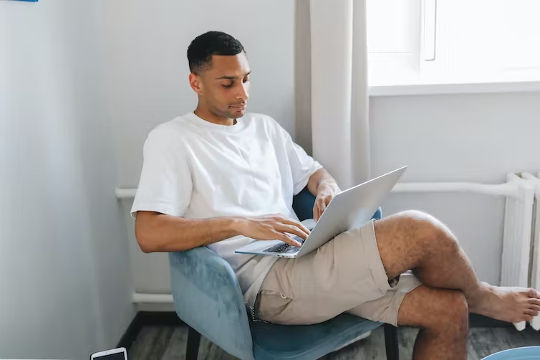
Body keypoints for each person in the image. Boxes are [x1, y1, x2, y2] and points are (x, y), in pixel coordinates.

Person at [131, 31, 540, 359]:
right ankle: (485, 296)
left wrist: (326, 188)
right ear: (195, 82)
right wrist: (238, 224)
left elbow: (314, 174)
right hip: (265, 280)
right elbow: (148, 234)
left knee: (449, 311)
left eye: (246, 79)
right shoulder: (173, 140)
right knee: (419, 230)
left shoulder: (264, 128)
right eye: (228, 83)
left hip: (307, 252)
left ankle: (473, 300)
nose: (242, 93)